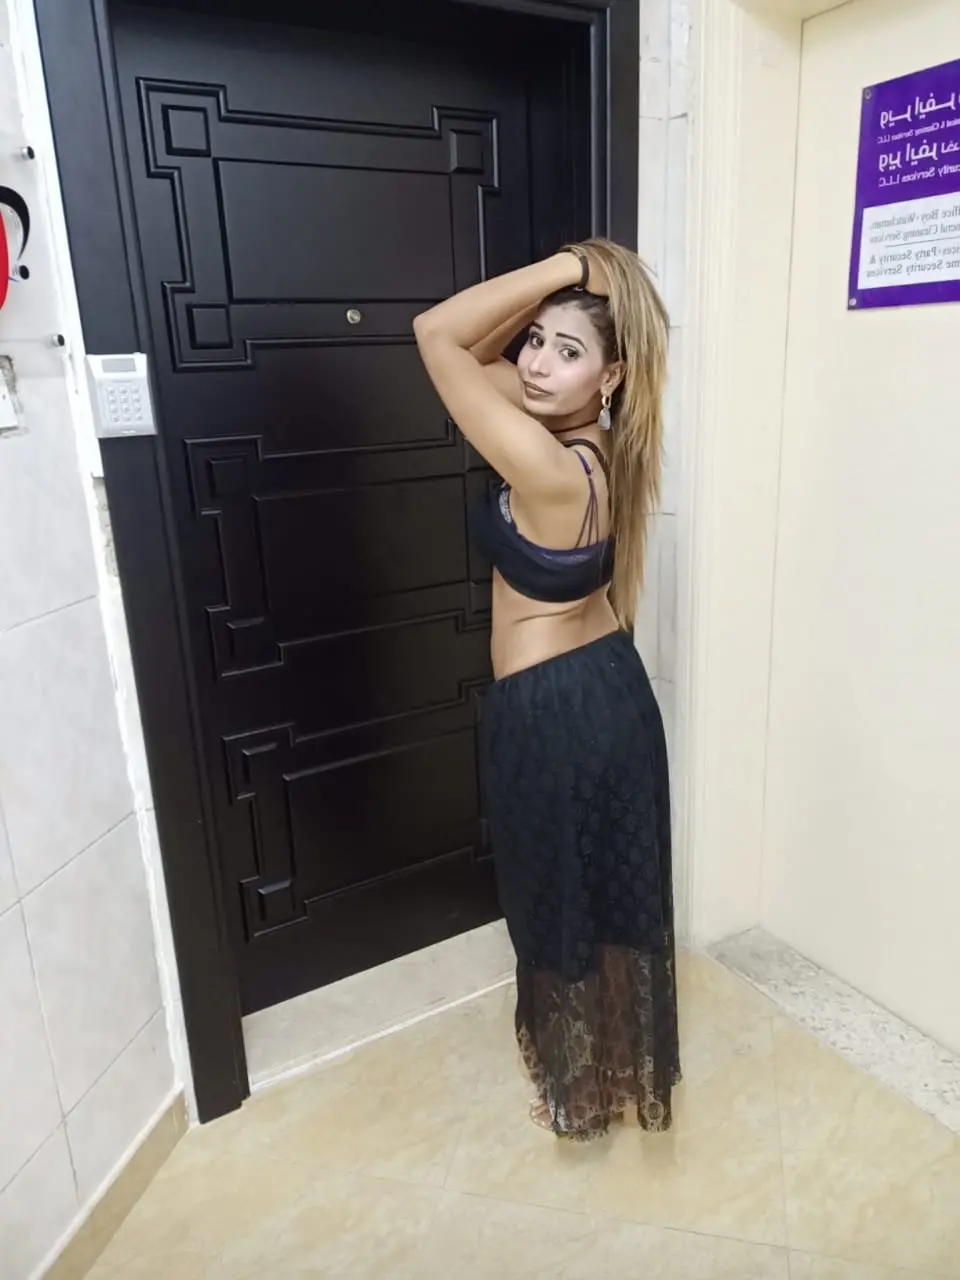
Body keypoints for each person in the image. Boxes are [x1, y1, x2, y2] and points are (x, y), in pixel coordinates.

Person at [413, 239, 679, 1141]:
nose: (535, 363)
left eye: (569, 352)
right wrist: (571, 308)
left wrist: (572, 266)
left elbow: (438, 335)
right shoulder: (597, 445)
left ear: (611, 377)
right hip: (606, 691)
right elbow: (478, 353)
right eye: (536, 341)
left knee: (554, 899)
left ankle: (581, 1088)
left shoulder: (545, 464)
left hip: (557, 712)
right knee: (596, 893)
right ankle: (605, 1071)